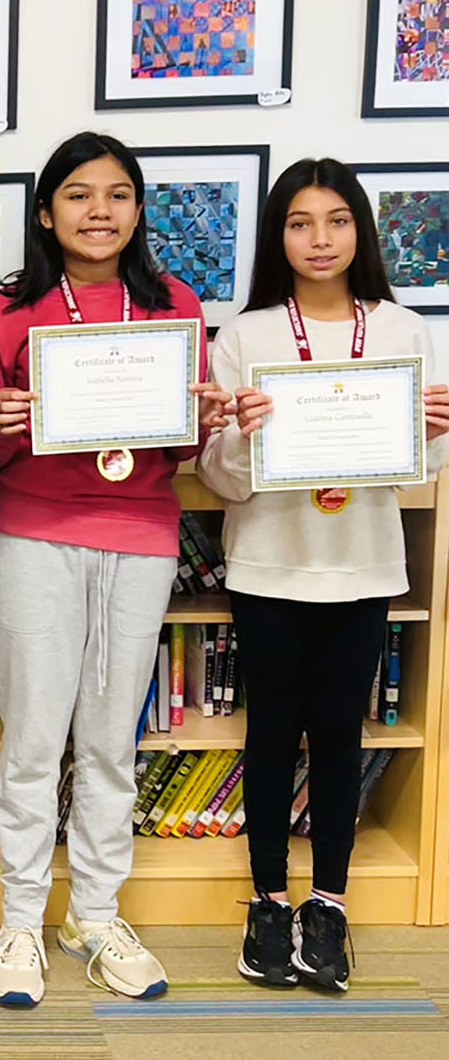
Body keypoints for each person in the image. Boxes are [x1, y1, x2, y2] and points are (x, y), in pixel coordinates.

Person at [0, 132, 231, 1006]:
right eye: (78, 196)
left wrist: (202, 420)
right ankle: (20, 919)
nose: (99, 212)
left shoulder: (174, 303)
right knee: (34, 741)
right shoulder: (8, 311)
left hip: (140, 538)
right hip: (34, 538)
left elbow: (178, 453)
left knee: (113, 744)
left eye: (117, 195)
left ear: (138, 210)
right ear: (46, 213)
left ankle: (97, 914)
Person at [198, 158, 449, 991]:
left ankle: (330, 905)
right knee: (271, 731)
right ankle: (269, 902)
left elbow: (415, 470)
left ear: (360, 231)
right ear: (279, 236)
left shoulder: (403, 329)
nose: (320, 239)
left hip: (361, 563)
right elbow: (223, 479)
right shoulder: (246, 336)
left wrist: (432, 433)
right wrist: (241, 435)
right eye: (300, 222)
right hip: (269, 563)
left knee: (341, 733)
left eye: (337, 220)